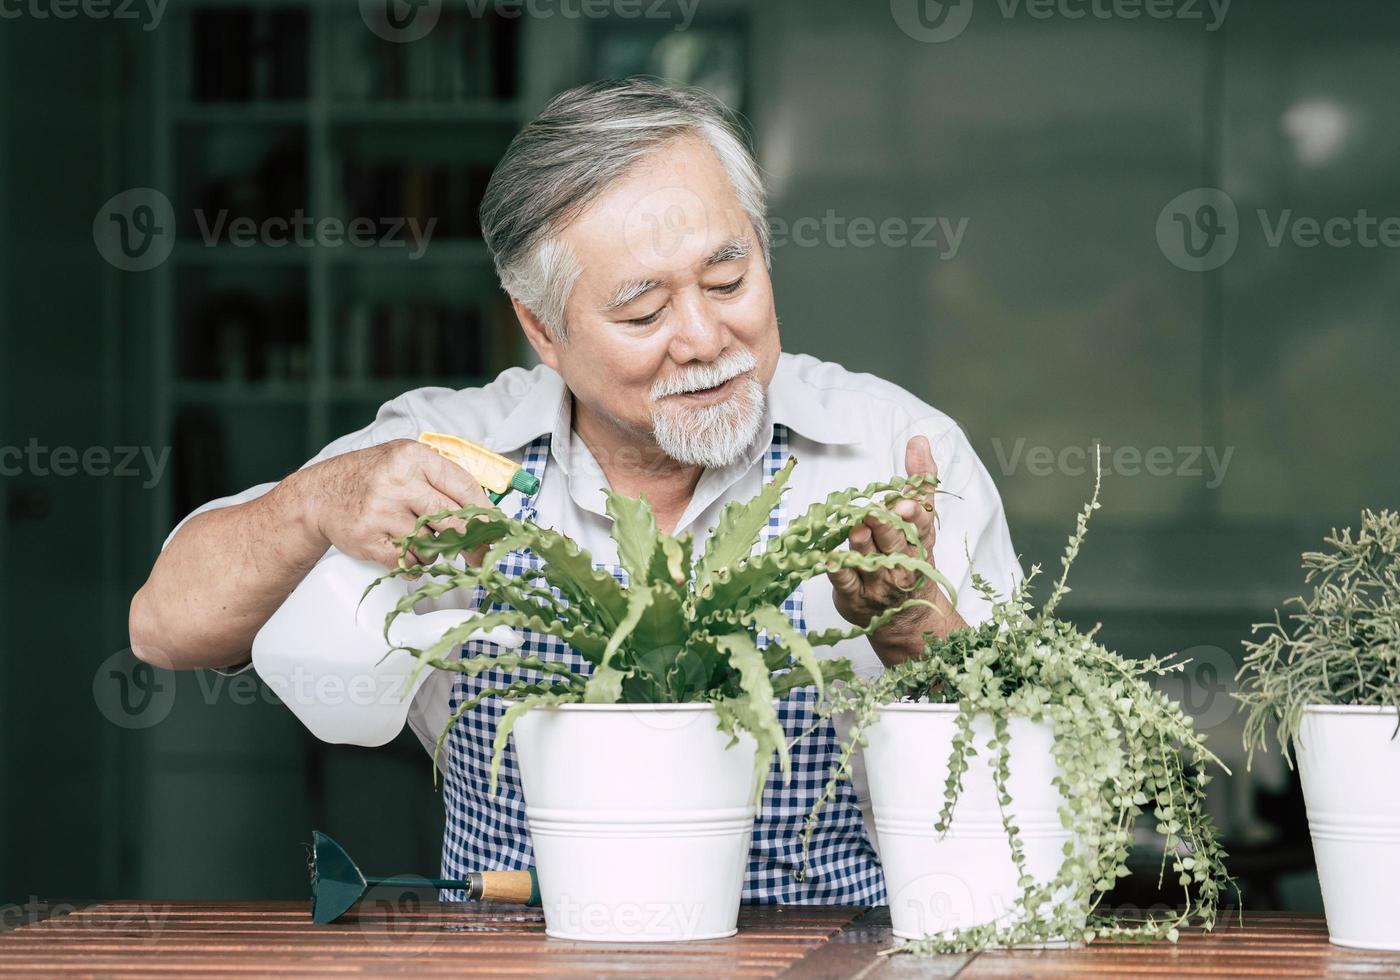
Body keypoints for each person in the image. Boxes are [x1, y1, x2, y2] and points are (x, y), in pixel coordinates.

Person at [129, 78, 1023, 905]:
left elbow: (1031, 809)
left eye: (730, 278)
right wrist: (311, 502)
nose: (706, 337)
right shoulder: (445, 455)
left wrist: (920, 636)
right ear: (541, 328)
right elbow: (165, 626)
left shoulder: (890, 455)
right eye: (642, 312)